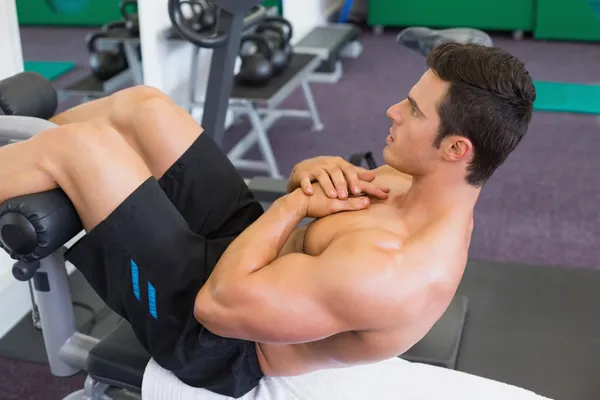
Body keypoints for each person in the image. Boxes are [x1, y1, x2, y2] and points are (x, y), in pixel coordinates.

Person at [0, 43, 535, 398]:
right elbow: (305, 185)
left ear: (456, 148)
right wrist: (311, 173)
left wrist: (292, 207)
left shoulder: (390, 273)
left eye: (415, 110)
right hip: (245, 252)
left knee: (81, 151)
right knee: (143, 107)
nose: (393, 110)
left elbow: (214, 308)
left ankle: (30, 157)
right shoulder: (412, 184)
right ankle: (15, 148)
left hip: (212, 336)